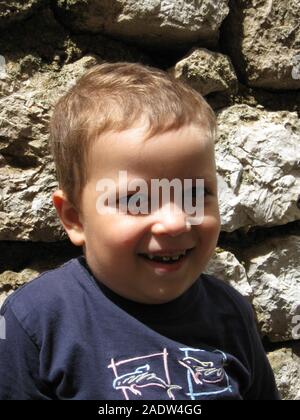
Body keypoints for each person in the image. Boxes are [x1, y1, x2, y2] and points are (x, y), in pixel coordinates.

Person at [0, 62, 280, 400]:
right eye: (137, 201)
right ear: (75, 218)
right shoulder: (34, 323)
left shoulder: (230, 312)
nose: (176, 222)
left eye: (194, 195)